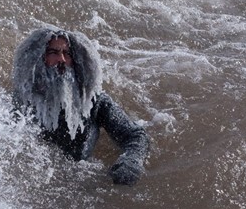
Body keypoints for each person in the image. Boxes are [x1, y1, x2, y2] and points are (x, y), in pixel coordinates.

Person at [12, 26, 150, 185]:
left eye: (67, 54)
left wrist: (131, 161)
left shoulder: (92, 101)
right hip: (39, 183)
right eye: (53, 53)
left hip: (84, 182)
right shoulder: (23, 101)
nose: (62, 60)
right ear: (37, 58)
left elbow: (136, 135)